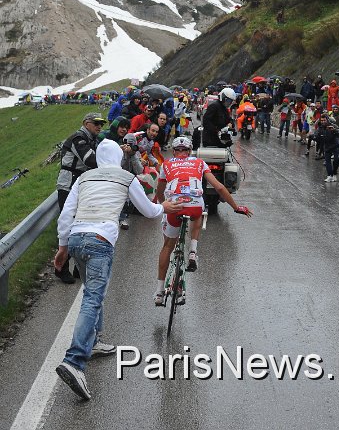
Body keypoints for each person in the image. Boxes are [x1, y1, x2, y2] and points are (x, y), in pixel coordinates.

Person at [54, 139, 181, 400]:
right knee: (93, 298)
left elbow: (67, 213)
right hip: (100, 239)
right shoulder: (125, 176)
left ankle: (94, 342)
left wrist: (62, 247)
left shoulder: (85, 177)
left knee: (91, 290)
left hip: (77, 237)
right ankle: (75, 361)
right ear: (118, 158)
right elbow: (147, 210)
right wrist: (163, 207)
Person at [154, 136, 253, 305]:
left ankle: (159, 292)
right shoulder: (199, 162)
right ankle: (193, 250)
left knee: (167, 246)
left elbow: (160, 189)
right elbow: (219, 187)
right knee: (199, 211)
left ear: (173, 151)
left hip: (174, 205)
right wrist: (236, 207)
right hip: (194, 205)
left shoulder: (167, 164)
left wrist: (158, 205)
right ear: (190, 151)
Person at [55, 112, 106, 284]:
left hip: (81, 187)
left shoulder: (93, 139)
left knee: (82, 226)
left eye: (101, 123)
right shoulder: (79, 138)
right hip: (68, 186)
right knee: (69, 226)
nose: (99, 126)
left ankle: (78, 267)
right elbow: (91, 160)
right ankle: (61, 269)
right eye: (96, 123)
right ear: (86, 123)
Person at [314, 115, 339, 182]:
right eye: (321, 120)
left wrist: (334, 130)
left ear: (327, 120)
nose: (323, 122)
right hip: (327, 147)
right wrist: (314, 136)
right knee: (327, 162)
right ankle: (329, 175)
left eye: (324, 120)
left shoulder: (333, 126)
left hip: (335, 146)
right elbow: (316, 135)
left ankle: (334, 173)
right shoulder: (320, 128)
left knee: (336, 160)